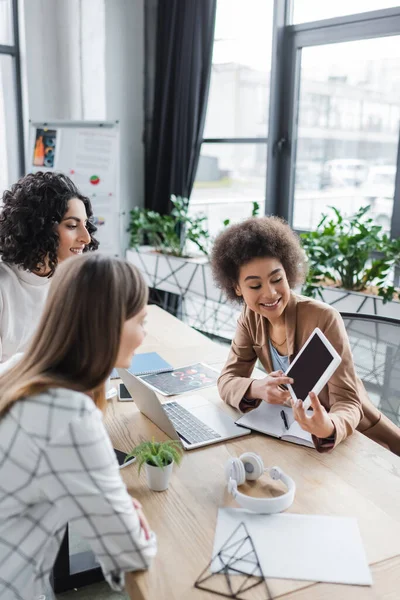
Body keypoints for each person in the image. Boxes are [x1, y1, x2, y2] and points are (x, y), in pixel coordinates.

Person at [0, 254, 157, 600]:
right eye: (141, 321)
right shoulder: (67, 415)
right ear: (109, 323)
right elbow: (132, 550)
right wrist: (126, 512)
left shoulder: (19, 369)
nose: (144, 335)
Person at [211, 216, 400, 456]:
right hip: (297, 436)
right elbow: (227, 379)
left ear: (288, 273)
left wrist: (328, 426)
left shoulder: (323, 318)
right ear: (237, 288)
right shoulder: (250, 316)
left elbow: (349, 402)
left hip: (358, 440)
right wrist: (257, 387)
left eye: (277, 279)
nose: (270, 293)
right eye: (255, 286)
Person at [0, 171, 98, 363]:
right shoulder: (3, 286)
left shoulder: (70, 281)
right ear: (40, 228)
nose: (86, 238)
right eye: (71, 225)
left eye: (85, 224)